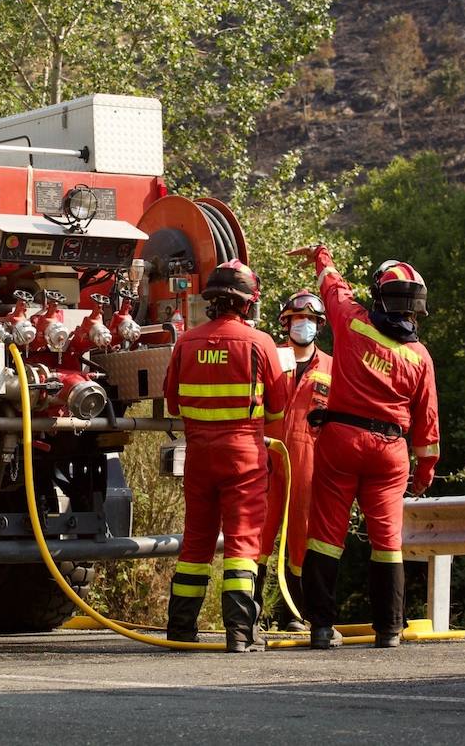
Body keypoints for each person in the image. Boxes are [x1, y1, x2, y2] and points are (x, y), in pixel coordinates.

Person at [292, 246, 440, 650]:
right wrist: (424, 472)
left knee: (325, 536)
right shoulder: (420, 357)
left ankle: (321, 627)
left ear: (379, 297)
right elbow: (428, 424)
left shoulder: (352, 323)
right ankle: (390, 629)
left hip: (340, 442)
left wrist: (321, 255)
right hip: (391, 451)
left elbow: (332, 287)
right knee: (387, 540)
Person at [163, 259, 290, 652]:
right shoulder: (260, 343)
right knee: (242, 543)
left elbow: (172, 404)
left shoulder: (186, 342)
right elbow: (278, 408)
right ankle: (239, 633)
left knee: (196, 543)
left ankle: (181, 629)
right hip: (244, 458)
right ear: (247, 303)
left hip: (198, 457)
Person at [255, 289, 332, 632]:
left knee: (302, 538)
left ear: (320, 325)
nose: (304, 325)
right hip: (267, 458)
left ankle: (295, 615)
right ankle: (249, 613)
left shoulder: (332, 367)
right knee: (258, 535)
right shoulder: (271, 358)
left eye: (311, 320)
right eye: (298, 319)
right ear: (286, 323)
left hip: (309, 464)